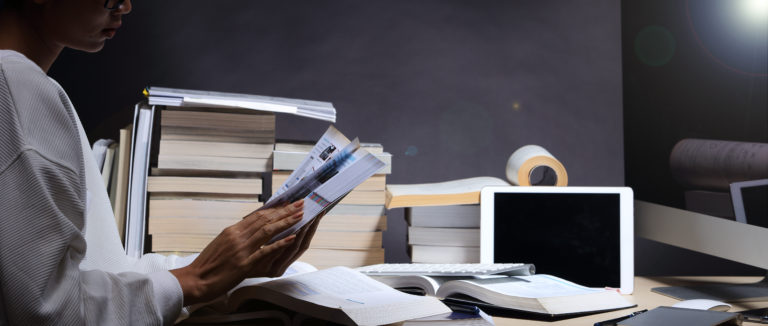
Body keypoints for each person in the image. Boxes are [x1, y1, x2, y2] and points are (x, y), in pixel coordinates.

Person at [0, 0, 323, 324]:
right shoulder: (14, 85)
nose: (124, 6)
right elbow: (50, 313)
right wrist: (197, 279)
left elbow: (106, 273)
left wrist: (232, 266)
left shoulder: (27, 85)